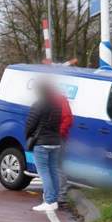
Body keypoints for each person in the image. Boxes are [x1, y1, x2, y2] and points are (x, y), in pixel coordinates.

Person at [24, 77, 68, 212]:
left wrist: (27, 136)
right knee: (53, 171)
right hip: (55, 142)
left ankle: (49, 200)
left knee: (44, 173)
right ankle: (54, 200)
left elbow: (30, 124)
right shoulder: (57, 105)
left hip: (41, 143)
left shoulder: (38, 104)